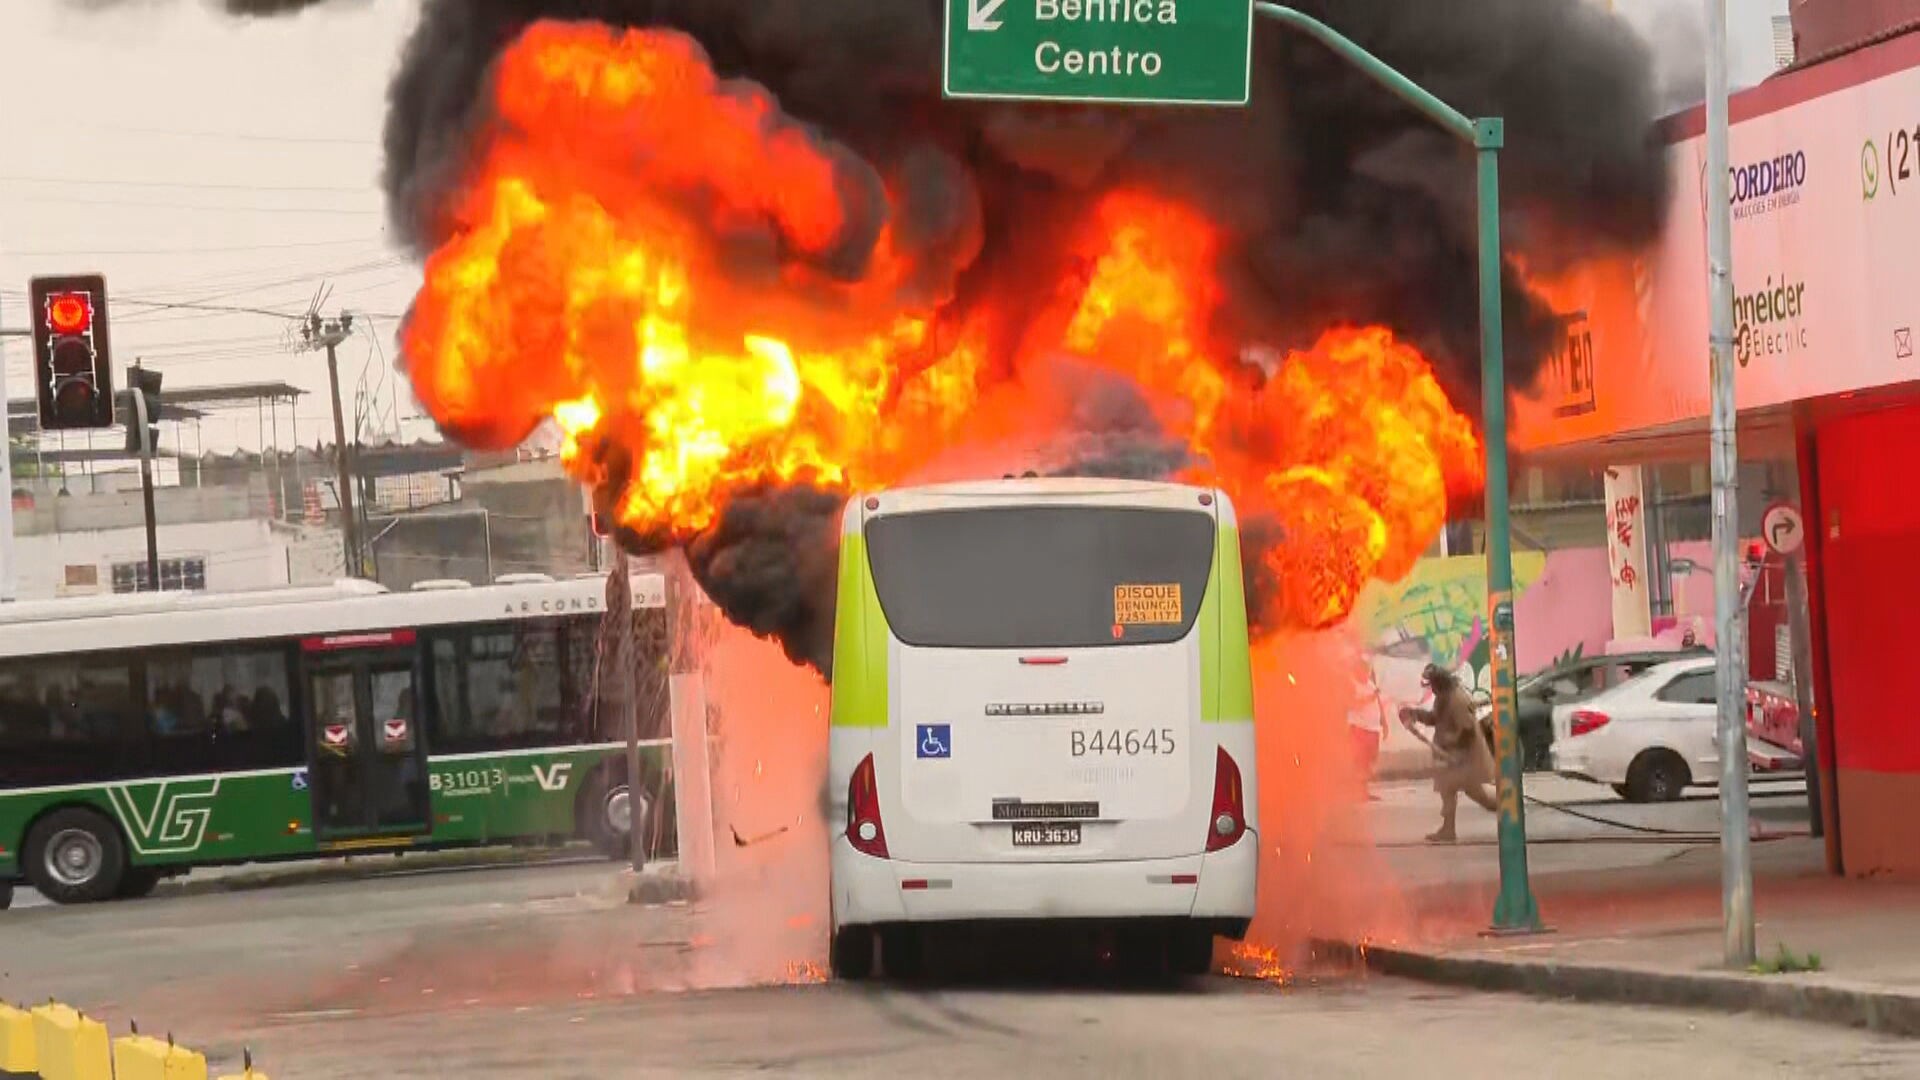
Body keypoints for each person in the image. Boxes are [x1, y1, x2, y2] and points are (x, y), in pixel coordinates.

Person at [1400, 663, 1498, 843]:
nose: (1432, 689)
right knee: (1448, 789)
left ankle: (1508, 812)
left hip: (1464, 756)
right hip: (1452, 756)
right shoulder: (1444, 697)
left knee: (1476, 794)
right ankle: (1448, 829)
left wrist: (1456, 754)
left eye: (1432, 685)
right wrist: (1415, 714)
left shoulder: (1456, 699)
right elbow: (1435, 719)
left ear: (1439, 682)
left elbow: (1467, 729)